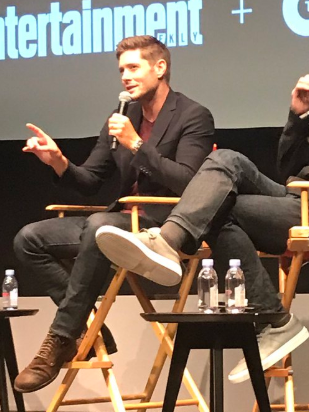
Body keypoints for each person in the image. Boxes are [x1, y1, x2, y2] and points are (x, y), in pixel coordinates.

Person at [96, 14, 309, 384]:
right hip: (301, 198)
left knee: (217, 209)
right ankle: (174, 246)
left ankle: (268, 317)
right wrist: (298, 117)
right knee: (226, 160)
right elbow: (290, 167)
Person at [13, 35, 214, 393]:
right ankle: (89, 327)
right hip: (117, 221)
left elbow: (188, 181)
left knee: (99, 225)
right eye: (122, 70)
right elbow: (91, 180)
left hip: (164, 227)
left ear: (160, 68)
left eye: (134, 67)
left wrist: (137, 143)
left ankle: (60, 338)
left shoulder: (193, 115)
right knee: (29, 239)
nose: (125, 76)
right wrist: (58, 161)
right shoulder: (121, 116)